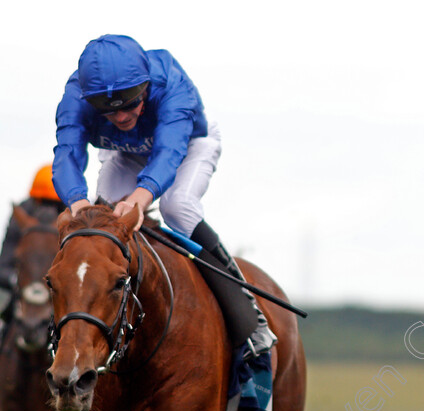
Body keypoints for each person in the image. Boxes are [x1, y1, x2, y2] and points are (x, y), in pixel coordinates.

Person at [52, 34, 274, 358]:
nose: (122, 116)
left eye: (130, 101)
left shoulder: (172, 85)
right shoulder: (76, 96)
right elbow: (67, 153)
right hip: (126, 153)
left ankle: (250, 318)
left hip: (187, 147)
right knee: (99, 225)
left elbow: (169, 153)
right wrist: (78, 203)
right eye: (107, 109)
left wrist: (140, 200)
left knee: (177, 207)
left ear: (145, 86)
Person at [0, 165, 66, 326]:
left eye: (54, 204)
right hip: (21, 287)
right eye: (44, 202)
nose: (49, 210)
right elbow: (4, 263)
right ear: (35, 199)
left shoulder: (74, 218)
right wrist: (19, 282)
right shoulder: (21, 214)